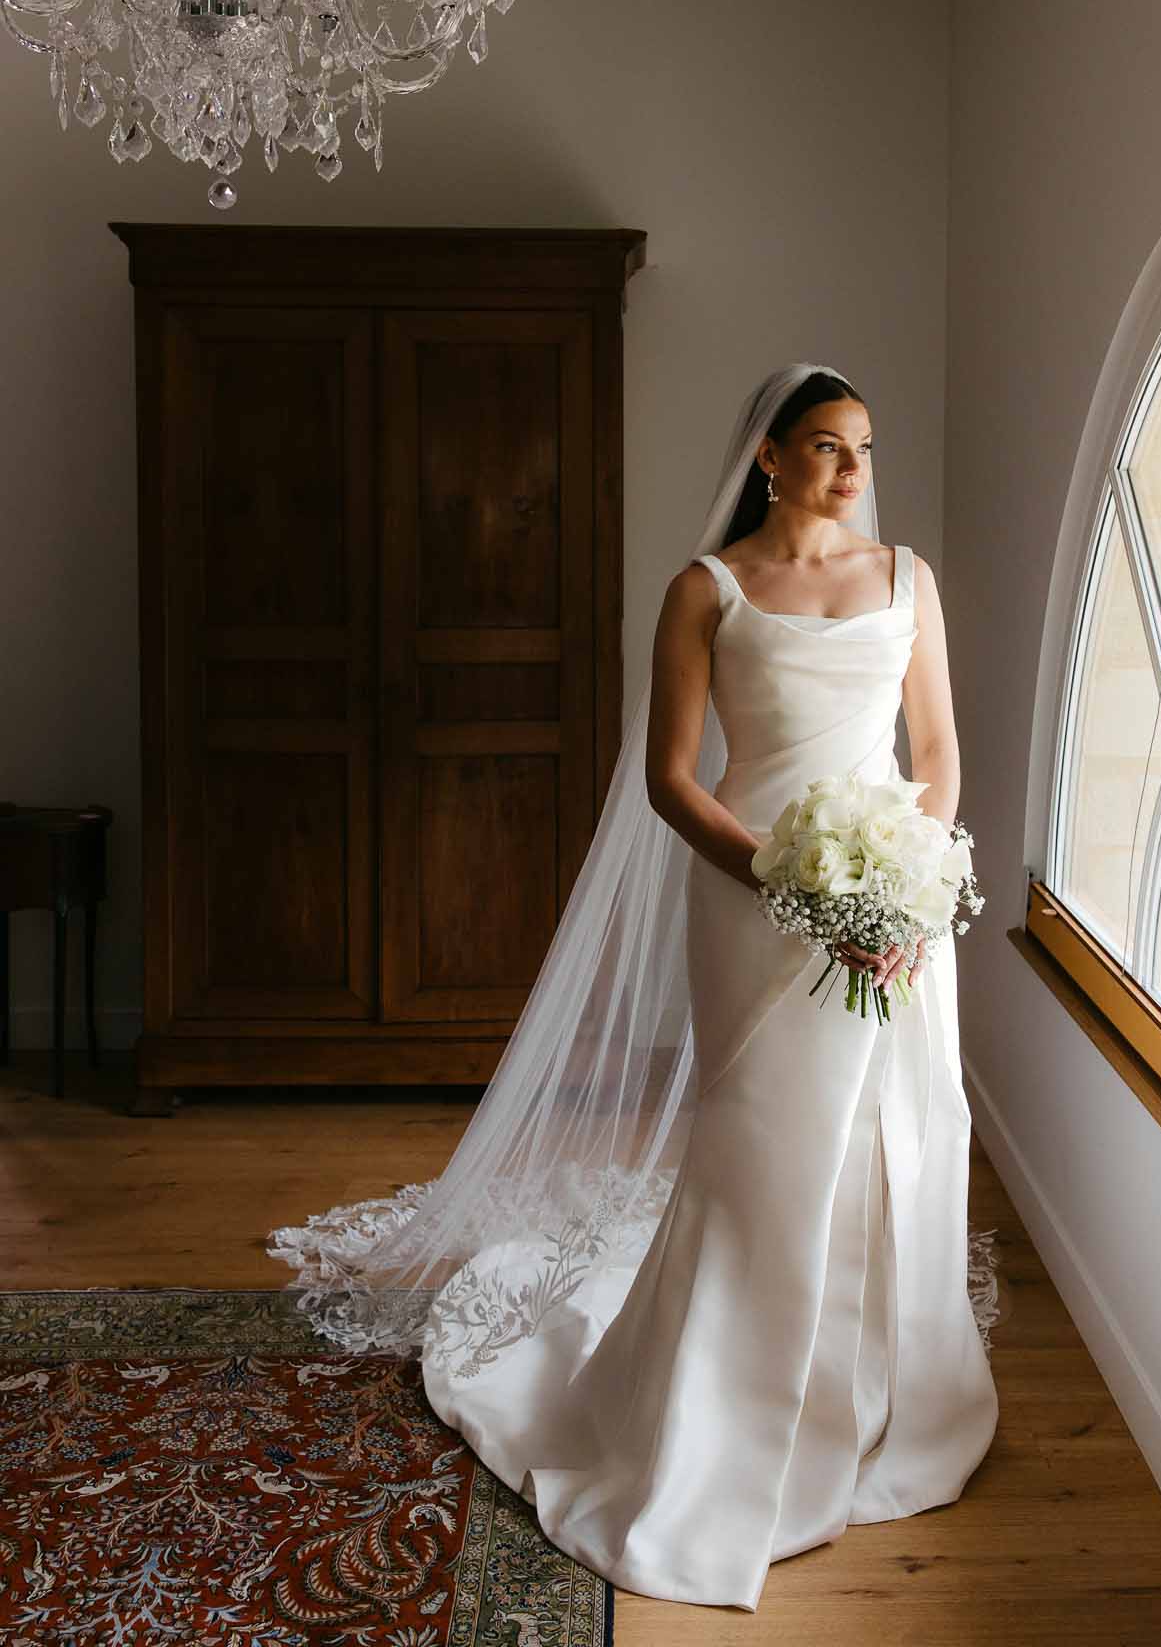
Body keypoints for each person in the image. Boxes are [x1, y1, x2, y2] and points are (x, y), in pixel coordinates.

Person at [268, 362, 1000, 1611]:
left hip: (895, 906)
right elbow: (673, 779)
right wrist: (789, 882)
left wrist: (905, 892)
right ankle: (720, 1419)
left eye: (864, 447)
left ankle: (879, 1399)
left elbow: (935, 757)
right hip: (755, 894)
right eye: (826, 446)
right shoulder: (705, 591)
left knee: (898, 1141)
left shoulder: (908, 579)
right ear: (767, 457)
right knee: (763, 1145)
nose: (852, 470)